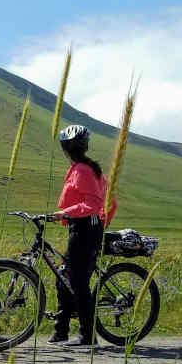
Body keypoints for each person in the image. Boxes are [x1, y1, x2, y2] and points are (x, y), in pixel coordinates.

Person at [47, 124, 117, 347]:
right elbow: (111, 203)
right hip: (85, 229)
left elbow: (92, 204)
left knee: (77, 282)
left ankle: (87, 336)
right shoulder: (88, 169)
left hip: (85, 230)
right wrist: (101, 224)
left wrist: (64, 214)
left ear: (64, 150)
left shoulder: (83, 171)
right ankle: (61, 331)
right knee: (64, 278)